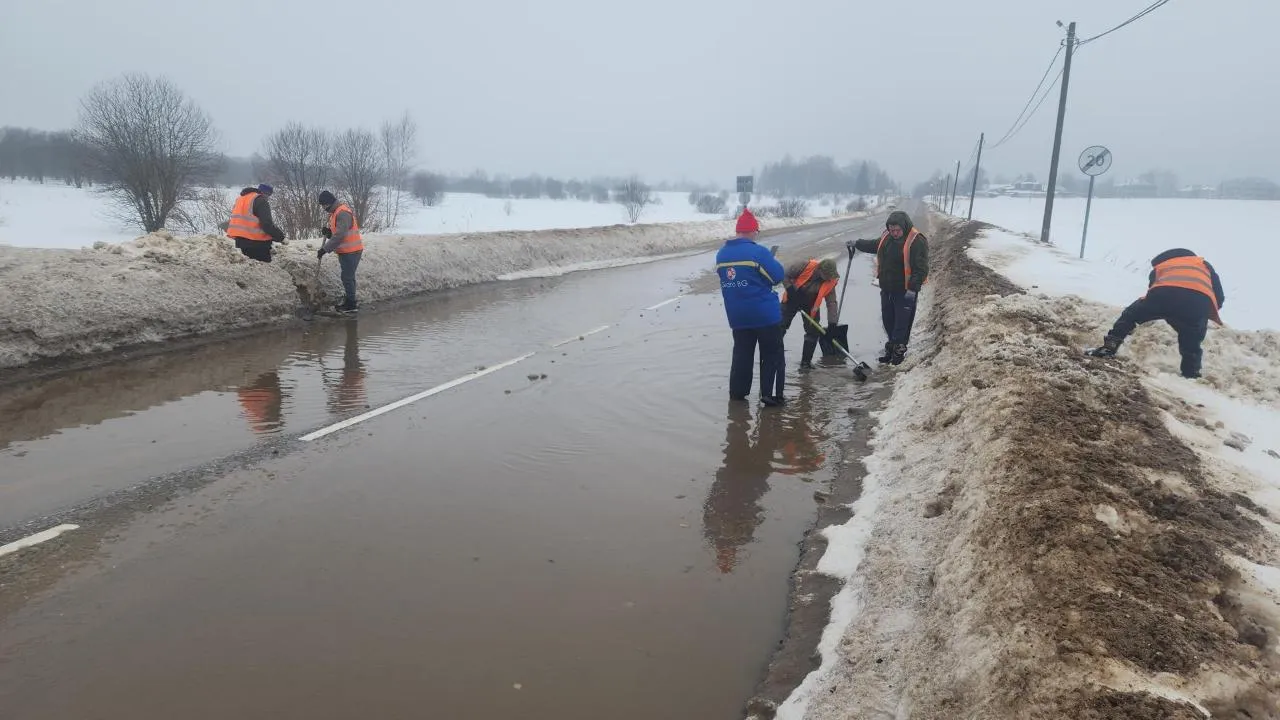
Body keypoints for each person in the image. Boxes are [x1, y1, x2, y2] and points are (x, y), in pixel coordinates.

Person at [1085, 248, 1225, 379]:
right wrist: (1201, 315)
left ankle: (1108, 349)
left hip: (1164, 295)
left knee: (1131, 315)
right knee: (1192, 338)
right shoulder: (1204, 264)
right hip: (1197, 303)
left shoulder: (1163, 265)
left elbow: (1153, 288)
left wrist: (1155, 311)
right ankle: (1191, 373)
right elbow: (1219, 296)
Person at [716, 208, 787, 406]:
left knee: (742, 355)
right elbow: (777, 276)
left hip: (737, 316)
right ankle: (769, 395)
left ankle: (737, 394)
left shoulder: (721, 255)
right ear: (752, 231)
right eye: (756, 230)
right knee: (772, 354)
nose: (757, 234)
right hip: (765, 315)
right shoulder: (758, 252)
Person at [847, 210, 929, 365]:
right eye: (892, 230)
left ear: (904, 227)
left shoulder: (916, 240)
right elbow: (874, 245)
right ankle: (891, 348)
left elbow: (921, 268)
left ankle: (899, 350)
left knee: (901, 323)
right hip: (887, 288)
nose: (895, 233)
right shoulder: (887, 237)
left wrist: (913, 289)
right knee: (888, 320)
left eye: (897, 230)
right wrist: (857, 243)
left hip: (905, 290)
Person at [780, 257, 841, 370]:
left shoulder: (830, 281)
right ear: (820, 270)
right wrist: (790, 290)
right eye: (827, 275)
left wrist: (832, 324)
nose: (829, 278)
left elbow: (832, 303)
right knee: (779, 327)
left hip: (811, 305)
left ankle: (805, 363)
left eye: (830, 276)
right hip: (793, 298)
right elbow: (783, 274)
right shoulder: (803, 265)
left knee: (813, 332)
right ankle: (775, 358)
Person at [317, 190, 365, 314]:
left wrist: (325, 249)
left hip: (351, 251)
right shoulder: (335, 212)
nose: (323, 208)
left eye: (323, 205)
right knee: (348, 277)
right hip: (346, 250)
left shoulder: (342, 213)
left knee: (347, 277)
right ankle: (350, 299)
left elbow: (340, 235)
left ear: (329, 202)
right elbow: (338, 233)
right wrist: (329, 234)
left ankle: (351, 304)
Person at [226, 183, 286, 262]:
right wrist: (281, 237)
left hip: (240, 241)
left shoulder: (240, 199)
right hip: (257, 243)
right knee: (263, 269)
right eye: (268, 195)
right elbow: (267, 224)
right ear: (265, 193)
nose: (268, 198)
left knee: (250, 268)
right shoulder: (261, 201)